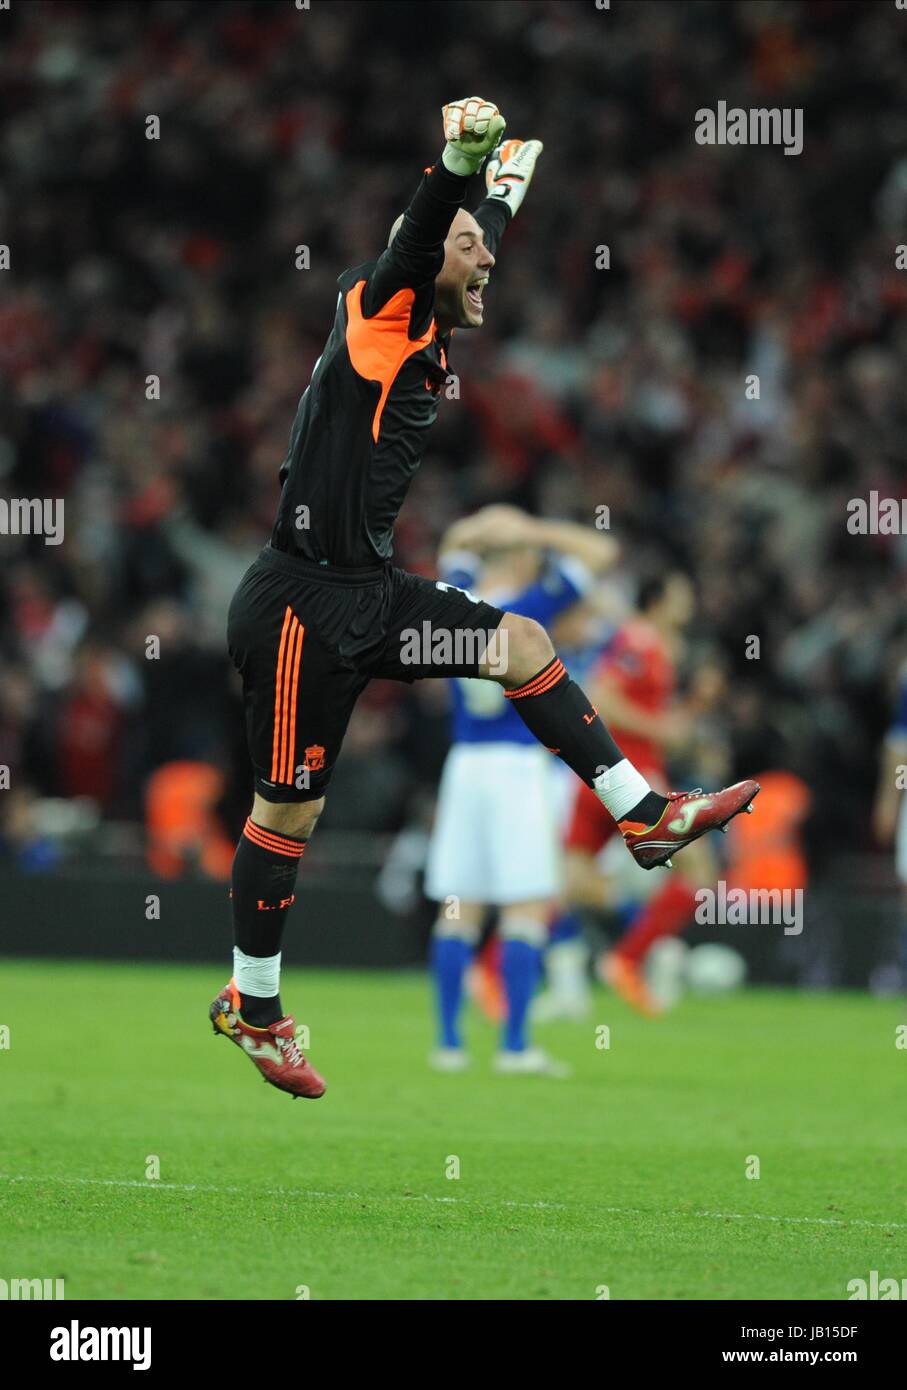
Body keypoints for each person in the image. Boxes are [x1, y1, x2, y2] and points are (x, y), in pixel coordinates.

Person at [209, 97, 759, 1099]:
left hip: (367, 593)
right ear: (424, 261)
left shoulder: (429, 317)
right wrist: (459, 159)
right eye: (470, 251)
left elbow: (466, 234)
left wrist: (502, 186)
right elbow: (425, 236)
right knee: (286, 811)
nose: (488, 264)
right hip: (297, 606)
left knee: (520, 641)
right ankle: (251, 1005)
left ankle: (642, 814)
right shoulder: (382, 315)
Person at [426, 504, 617, 1076]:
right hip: (517, 765)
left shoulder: (454, 596)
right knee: (527, 905)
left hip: (464, 765)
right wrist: (531, 526)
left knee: (458, 907)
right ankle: (514, 1046)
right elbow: (603, 552)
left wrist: (484, 525)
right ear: (522, 556)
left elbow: (455, 539)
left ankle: (449, 1044)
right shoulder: (532, 608)